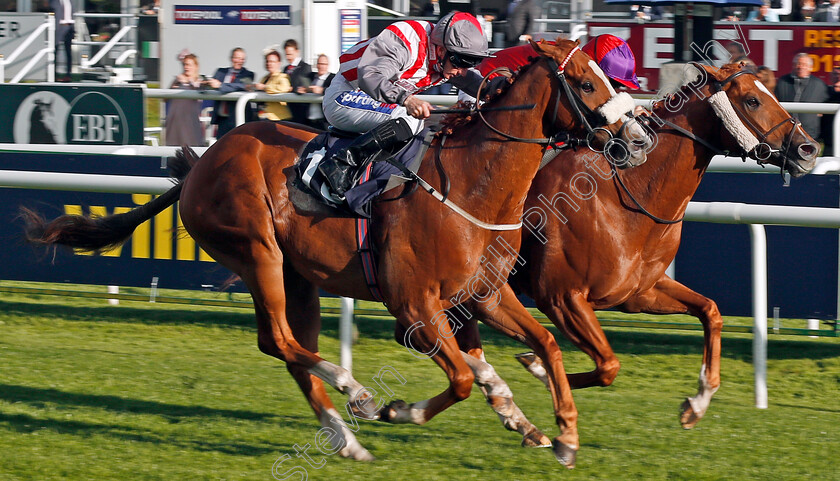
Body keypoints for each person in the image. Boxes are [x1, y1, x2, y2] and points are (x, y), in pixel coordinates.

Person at [318, 11, 492, 197]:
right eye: (461, 63)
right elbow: (370, 77)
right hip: (346, 95)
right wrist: (407, 99)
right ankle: (341, 164)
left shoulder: (447, 61)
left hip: (378, 104)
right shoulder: (406, 41)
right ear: (441, 50)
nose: (463, 72)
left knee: (444, 119)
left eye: (470, 64)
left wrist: (508, 87)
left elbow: (480, 85)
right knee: (410, 119)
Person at [775, 53, 829, 141]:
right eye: (798, 64)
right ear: (793, 65)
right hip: (786, 133)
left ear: (811, 67)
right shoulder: (782, 82)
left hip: (810, 134)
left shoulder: (819, 85)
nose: (801, 67)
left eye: (804, 64)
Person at [206, 47, 256, 139]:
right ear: (231, 58)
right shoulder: (220, 72)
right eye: (237, 58)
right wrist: (208, 83)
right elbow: (213, 87)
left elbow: (241, 86)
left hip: (237, 117)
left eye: (242, 59)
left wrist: (221, 85)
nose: (239, 61)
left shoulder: (248, 74)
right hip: (221, 119)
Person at [165, 52, 205, 146]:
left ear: (196, 66)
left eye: (189, 65)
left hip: (190, 120)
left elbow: (199, 94)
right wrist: (174, 84)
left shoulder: (199, 81)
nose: (186, 67)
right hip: (175, 119)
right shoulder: (177, 80)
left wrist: (188, 81)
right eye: (184, 64)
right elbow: (165, 98)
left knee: (192, 145)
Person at [254, 49, 293, 121]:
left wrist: (265, 87)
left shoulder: (283, 76)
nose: (269, 64)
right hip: (263, 115)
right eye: (267, 61)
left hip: (278, 117)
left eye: (272, 61)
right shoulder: (264, 78)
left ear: (279, 63)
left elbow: (284, 88)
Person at [284, 39, 312, 125]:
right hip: (288, 109)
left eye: (290, 54)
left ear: (297, 52)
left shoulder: (305, 67)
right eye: (286, 54)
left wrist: (292, 89)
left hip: (301, 110)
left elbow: (304, 85)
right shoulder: (285, 69)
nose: (288, 57)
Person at [303, 54, 335, 129]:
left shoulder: (333, 78)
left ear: (328, 65)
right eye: (319, 63)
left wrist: (322, 90)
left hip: (324, 121)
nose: (321, 66)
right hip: (309, 120)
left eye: (324, 64)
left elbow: (335, 91)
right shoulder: (310, 77)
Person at [50, 0, 74, 82]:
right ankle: (54, 75)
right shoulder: (54, 1)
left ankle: (68, 75)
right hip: (58, 27)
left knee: (68, 52)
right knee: (55, 51)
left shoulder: (70, 1)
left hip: (69, 27)